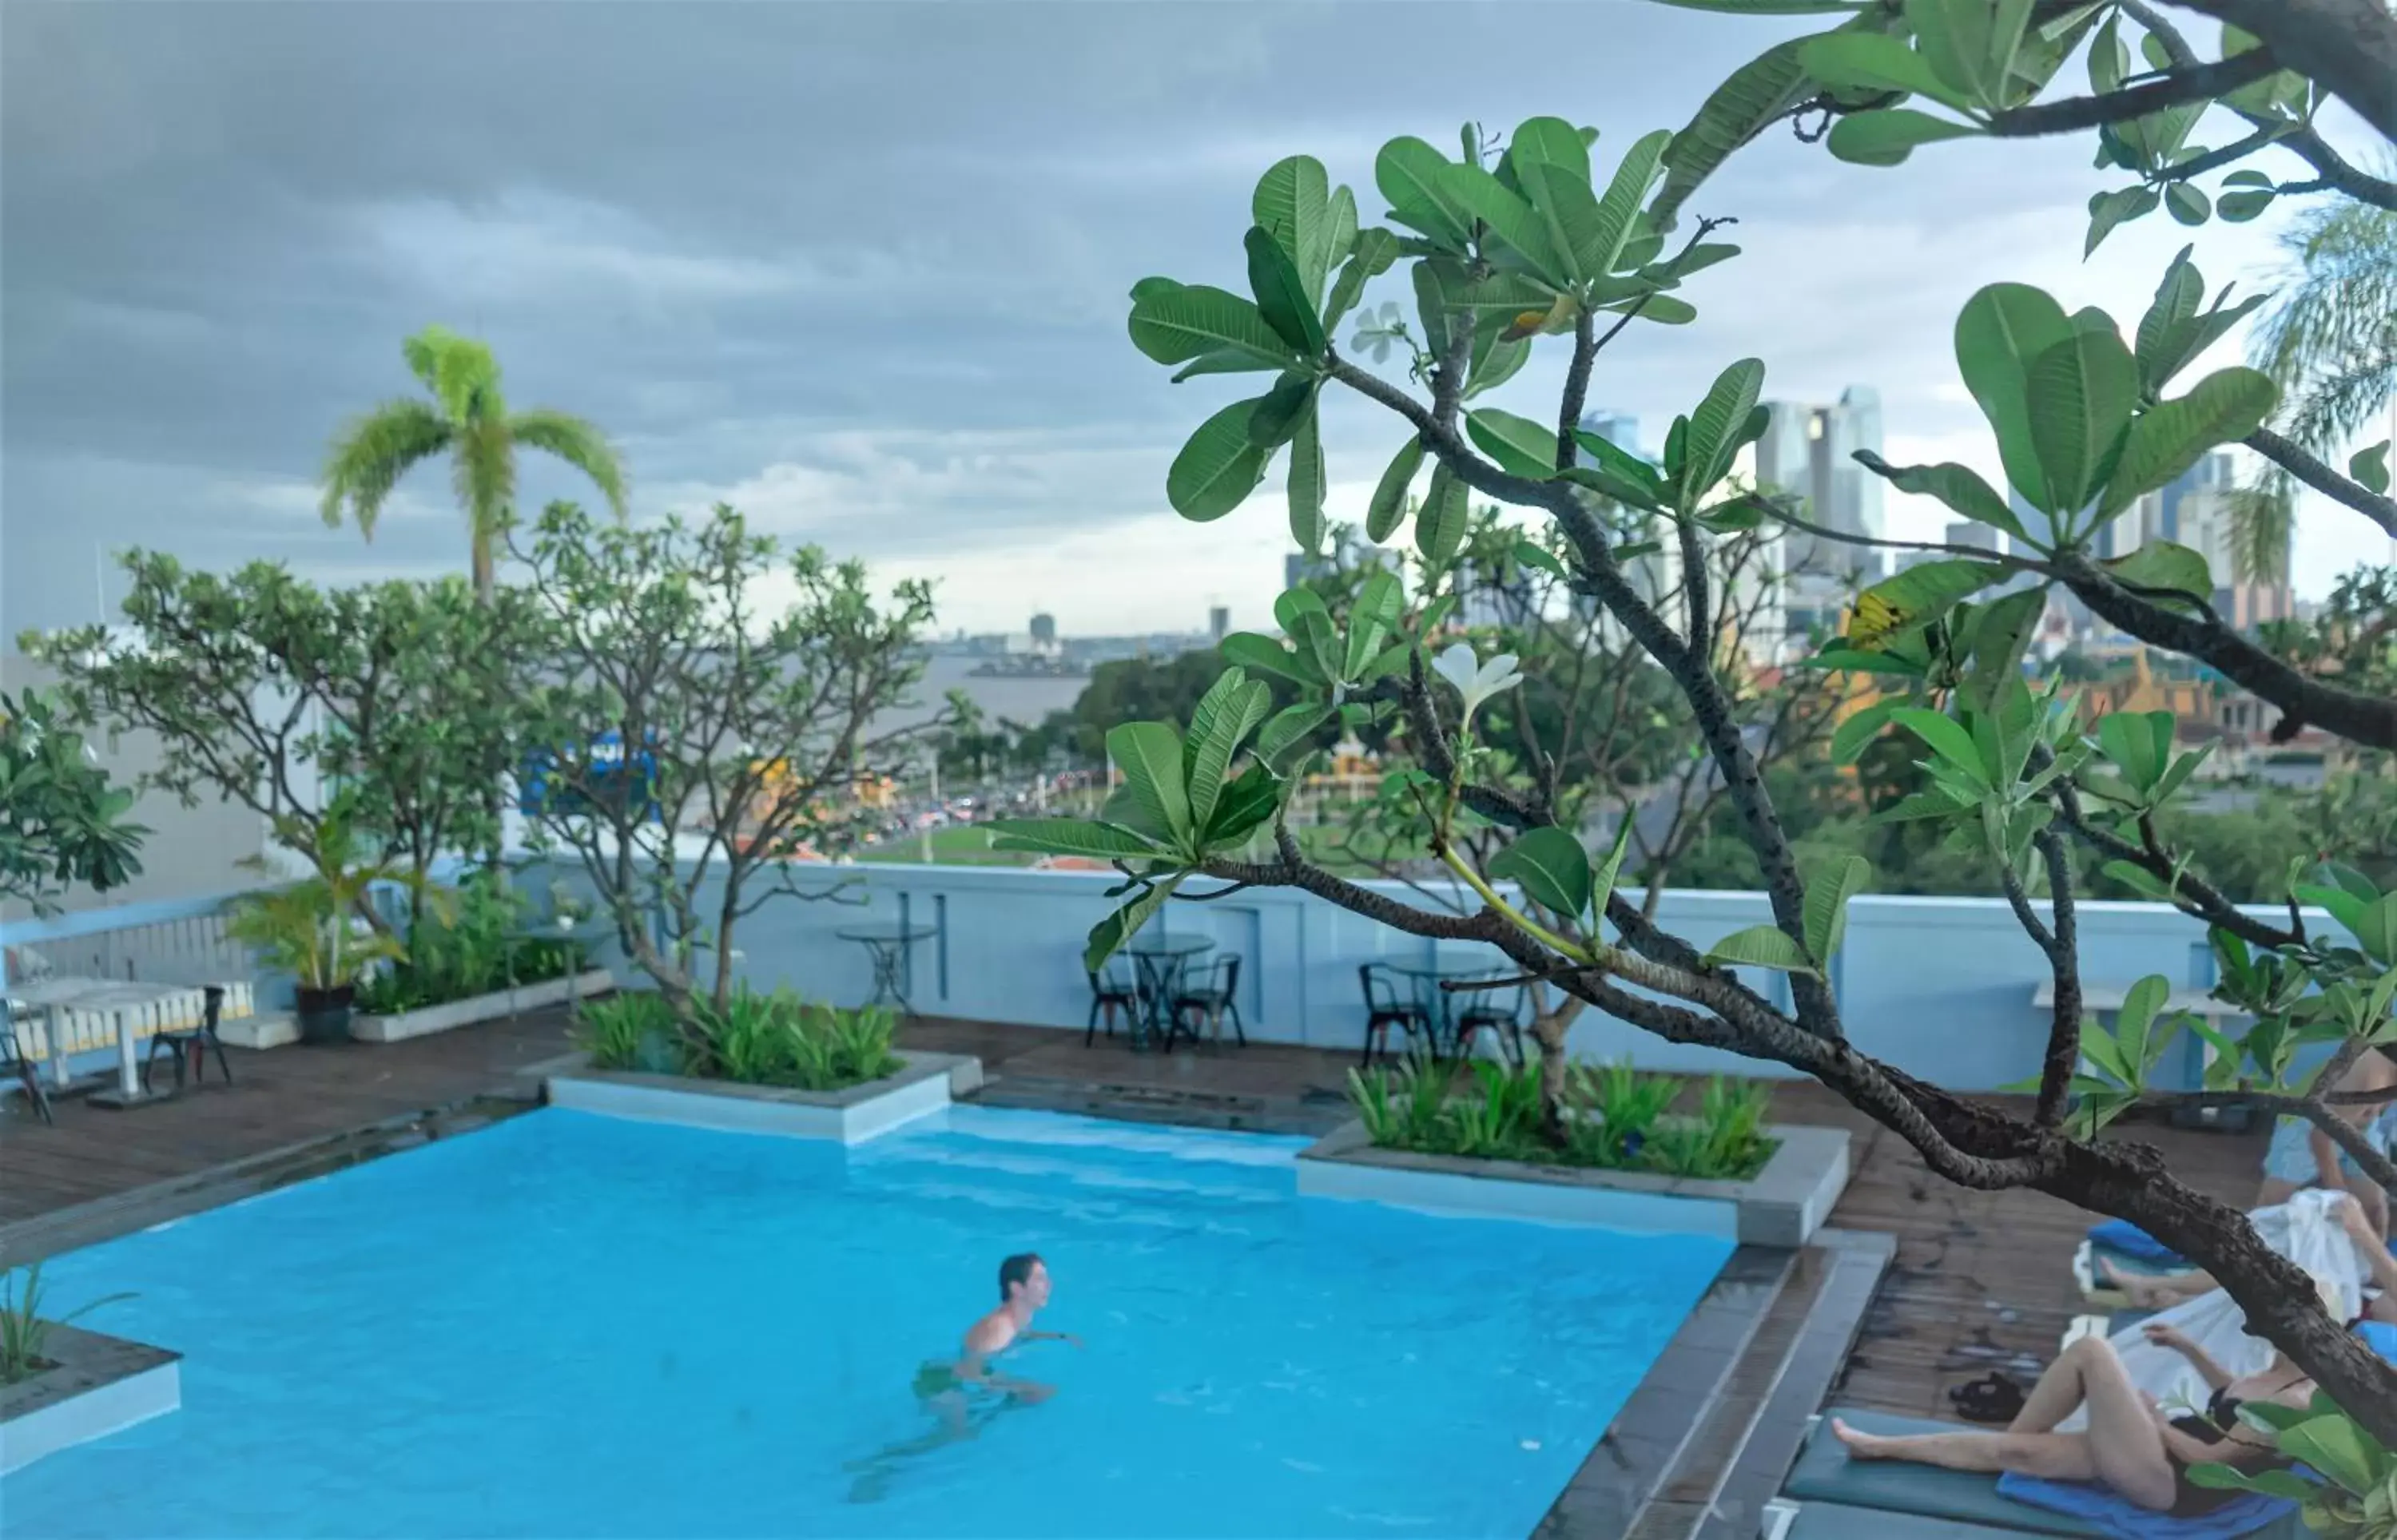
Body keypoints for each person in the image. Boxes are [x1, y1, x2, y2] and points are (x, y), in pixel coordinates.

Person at [1829, 1277, 2340, 1517]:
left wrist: (2152, 1419)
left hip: (2170, 1481)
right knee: (2016, 1452)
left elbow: (2210, 1459)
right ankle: (1873, 1446)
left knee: (2093, 1352)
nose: (2270, 1322)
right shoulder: (2279, 1370)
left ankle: (2022, 1440)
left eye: (2283, 1319)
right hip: (2157, 1450)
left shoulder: (2297, 1405)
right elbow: (2233, 1394)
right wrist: (2187, 1349)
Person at [847, 1253, 1080, 1503]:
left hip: (956, 1374)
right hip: (941, 1383)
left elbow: (1020, 1335)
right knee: (957, 1434)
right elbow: (970, 1372)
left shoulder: (1018, 1318)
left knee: (1017, 1402)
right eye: (1040, 1279)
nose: (1049, 1285)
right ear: (1017, 1288)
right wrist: (1019, 1385)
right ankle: (878, 1468)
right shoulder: (998, 1328)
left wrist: (1058, 1336)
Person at [2258, 1051, 2397, 1237]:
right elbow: (2320, 1136)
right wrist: (2340, 1194)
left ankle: (2376, 1264)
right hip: (2311, 1120)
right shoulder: (2371, 1076)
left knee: (2376, 1209)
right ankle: (2247, 1250)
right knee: (2272, 1206)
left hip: (2364, 1122)